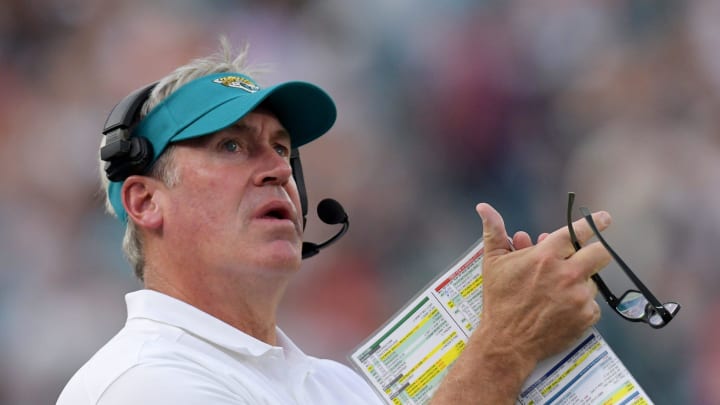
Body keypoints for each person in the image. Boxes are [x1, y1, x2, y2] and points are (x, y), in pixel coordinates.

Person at [57, 39, 612, 404]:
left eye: (281, 148)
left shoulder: (335, 386)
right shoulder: (142, 382)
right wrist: (505, 346)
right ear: (145, 202)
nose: (277, 168)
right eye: (231, 145)